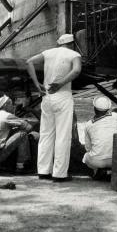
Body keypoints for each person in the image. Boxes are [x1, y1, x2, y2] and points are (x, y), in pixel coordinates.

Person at [26, 33, 82, 182]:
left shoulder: (48, 53)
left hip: (47, 96)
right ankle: (59, 174)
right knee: (63, 136)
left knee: (46, 134)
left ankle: (43, 171)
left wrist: (37, 84)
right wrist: (61, 83)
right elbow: (76, 71)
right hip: (62, 95)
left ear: (60, 43)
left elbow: (28, 62)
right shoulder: (74, 54)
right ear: (71, 43)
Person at [0, 95, 38, 173]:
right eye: (11, 104)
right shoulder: (6, 115)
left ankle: (2, 165)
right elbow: (28, 127)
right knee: (22, 134)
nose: (13, 106)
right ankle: (21, 166)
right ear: (5, 105)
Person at [83, 96, 117, 177]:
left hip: (96, 161)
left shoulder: (88, 124)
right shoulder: (116, 116)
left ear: (94, 108)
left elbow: (88, 148)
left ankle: (97, 171)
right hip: (116, 159)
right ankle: (110, 171)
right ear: (108, 108)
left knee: (86, 156)